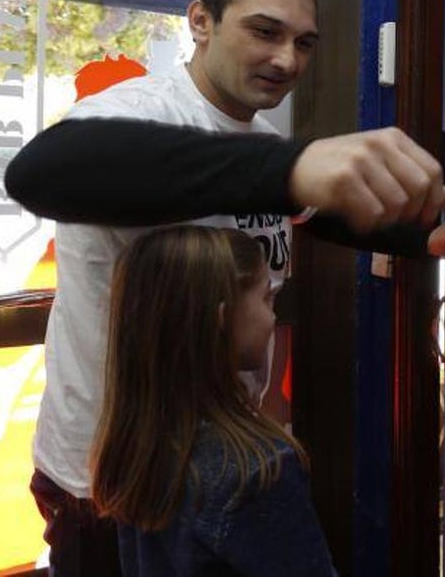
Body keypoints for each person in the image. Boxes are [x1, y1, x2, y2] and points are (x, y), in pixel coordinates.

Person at [6, 0, 445, 575]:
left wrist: (416, 240)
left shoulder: (262, 143)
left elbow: (318, 217)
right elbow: (40, 171)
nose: (286, 59)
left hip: (215, 469)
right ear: (200, 21)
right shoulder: (136, 111)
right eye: (264, 31)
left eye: (304, 42)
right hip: (109, 480)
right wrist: (292, 165)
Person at [92, 226, 335, 576]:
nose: (273, 316)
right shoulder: (259, 471)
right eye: (267, 298)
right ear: (222, 318)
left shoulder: (135, 450)